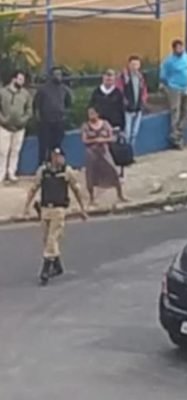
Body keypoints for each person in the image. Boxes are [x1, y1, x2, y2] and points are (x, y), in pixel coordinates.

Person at [23, 147, 87, 285]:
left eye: (60, 156)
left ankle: (45, 270)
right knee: (47, 239)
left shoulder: (67, 171)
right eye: (55, 156)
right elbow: (33, 188)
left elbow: (76, 190)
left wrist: (83, 208)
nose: (58, 159)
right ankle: (57, 266)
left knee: (52, 238)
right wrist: (26, 207)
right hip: (45, 208)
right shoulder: (43, 171)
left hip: (59, 210)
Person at [81, 107, 127, 206]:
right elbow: (84, 140)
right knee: (91, 175)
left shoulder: (105, 124)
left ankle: (120, 195)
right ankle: (92, 199)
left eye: (93, 113)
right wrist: (95, 140)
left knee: (113, 171)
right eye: (89, 114)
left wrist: (103, 140)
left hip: (104, 151)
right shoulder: (85, 126)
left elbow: (112, 138)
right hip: (92, 153)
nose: (91, 116)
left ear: (98, 114)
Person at [160, 39, 187, 150]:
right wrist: (170, 84)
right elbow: (163, 76)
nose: (180, 49)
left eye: (182, 47)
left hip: (186, 88)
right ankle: (176, 139)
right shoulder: (169, 61)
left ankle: (177, 133)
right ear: (174, 49)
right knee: (175, 111)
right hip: (174, 88)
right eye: (178, 48)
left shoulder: (186, 56)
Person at [33, 67, 73, 165]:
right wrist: (39, 119)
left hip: (59, 122)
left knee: (57, 145)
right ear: (51, 76)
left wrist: (65, 115)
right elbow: (36, 105)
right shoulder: (43, 89)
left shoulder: (64, 89)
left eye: (60, 74)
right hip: (45, 122)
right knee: (44, 145)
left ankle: (55, 164)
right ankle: (42, 165)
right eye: (56, 74)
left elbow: (69, 104)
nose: (58, 76)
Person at [0, 70, 33, 183]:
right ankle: (1, 173)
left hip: (19, 128)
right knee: (3, 151)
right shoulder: (3, 92)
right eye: (19, 79)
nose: (21, 82)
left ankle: (11, 173)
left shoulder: (25, 94)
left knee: (15, 151)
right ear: (13, 79)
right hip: (4, 127)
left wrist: (23, 120)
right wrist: (2, 119)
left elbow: (29, 109)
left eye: (23, 80)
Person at [117, 55, 148, 150]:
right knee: (127, 132)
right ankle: (126, 151)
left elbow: (144, 91)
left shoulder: (140, 77)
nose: (135, 66)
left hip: (138, 107)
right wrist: (124, 101)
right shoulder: (124, 76)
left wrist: (143, 100)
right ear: (129, 65)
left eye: (137, 64)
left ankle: (131, 151)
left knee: (135, 132)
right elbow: (119, 89)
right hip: (127, 108)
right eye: (133, 64)